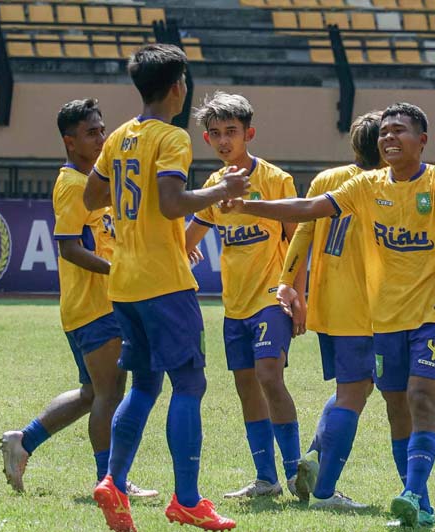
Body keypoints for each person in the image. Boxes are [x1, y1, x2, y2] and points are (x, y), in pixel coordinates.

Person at [219, 102, 435, 527]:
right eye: (385, 132)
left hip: (432, 312)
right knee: (394, 404)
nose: (390, 137)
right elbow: (307, 212)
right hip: (382, 317)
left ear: (423, 141)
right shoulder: (364, 186)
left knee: (417, 396)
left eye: (400, 131)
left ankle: (411, 492)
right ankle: (420, 505)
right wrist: (247, 206)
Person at [83, 44, 248, 532]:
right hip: (164, 282)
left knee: (146, 384)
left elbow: (93, 195)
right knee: (189, 383)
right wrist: (222, 191)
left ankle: (113, 481)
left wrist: (127, 195)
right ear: (179, 86)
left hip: (125, 281)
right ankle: (188, 500)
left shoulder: (118, 136)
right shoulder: (172, 138)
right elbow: (174, 203)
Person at [0, 99, 156, 499]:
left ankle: (24, 440)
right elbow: (68, 247)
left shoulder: (94, 181)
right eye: (92, 133)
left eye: (102, 129)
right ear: (70, 142)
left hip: (92, 305)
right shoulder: (72, 186)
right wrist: (116, 272)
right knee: (109, 393)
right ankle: (111, 483)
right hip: (94, 306)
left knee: (91, 393)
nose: (102, 138)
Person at [184, 92, 303, 499]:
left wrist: (297, 292)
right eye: (214, 133)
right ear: (206, 140)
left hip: (272, 297)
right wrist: (181, 247)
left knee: (270, 376)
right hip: (234, 305)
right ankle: (266, 479)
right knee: (247, 387)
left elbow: (296, 240)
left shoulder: (274, 179)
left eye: (231, 132)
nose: (223, 141)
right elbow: (189, 237)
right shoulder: (213, 187)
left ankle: (295, 472)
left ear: (248, 133)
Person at [274, 111, 383, 510]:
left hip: (328, 302)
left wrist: (290, 284)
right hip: (361, 304)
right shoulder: (382, 187)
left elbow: (302, 230)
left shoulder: (326, 179)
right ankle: (325, 493)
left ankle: (314, 459)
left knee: (354, 387)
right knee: (354, 392)